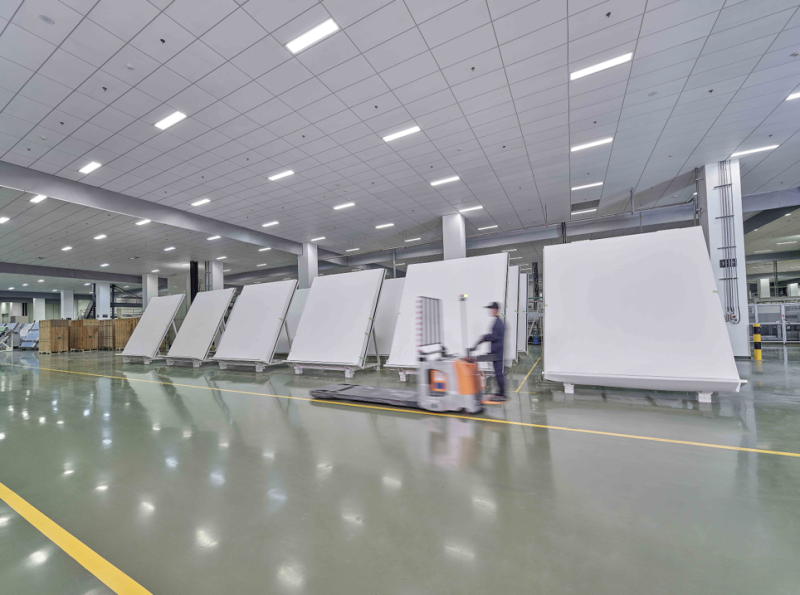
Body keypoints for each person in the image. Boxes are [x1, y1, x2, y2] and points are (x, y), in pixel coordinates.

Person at [475, 302, 506, 404]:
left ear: (496, 310)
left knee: (498, 373)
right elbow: (494, 336)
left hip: (497, 353)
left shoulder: (498, 323)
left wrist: (484, 338)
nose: (490, 311)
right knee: (497, 373)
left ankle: (502, 394)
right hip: (496, 351)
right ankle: (500, 393)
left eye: (491, 309)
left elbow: (494, 336)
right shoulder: (497, 322)